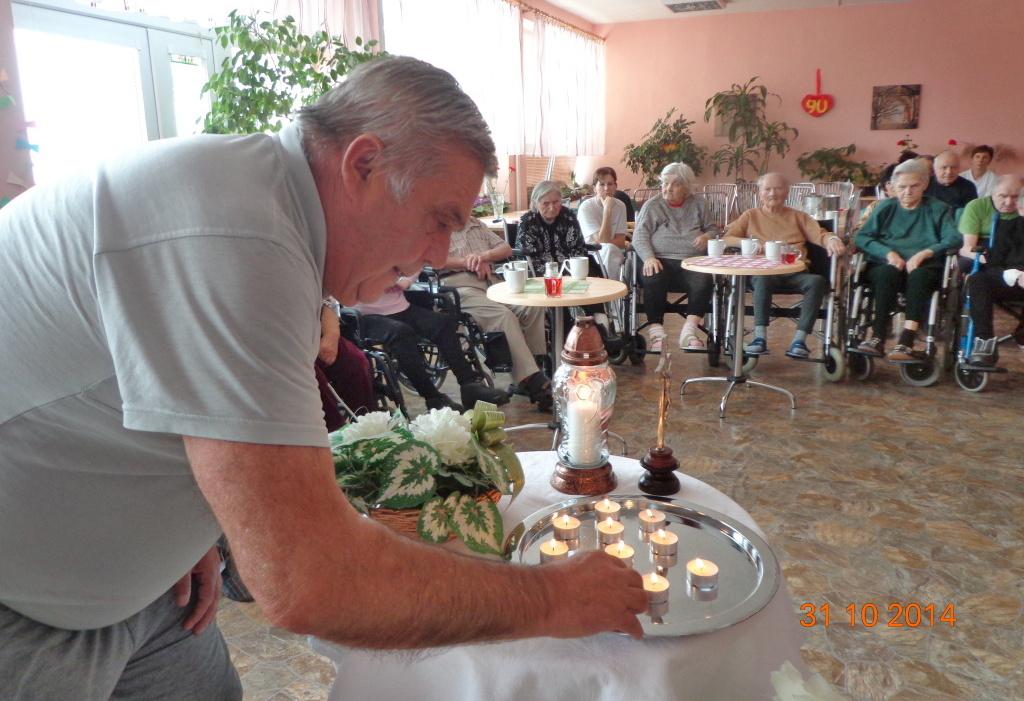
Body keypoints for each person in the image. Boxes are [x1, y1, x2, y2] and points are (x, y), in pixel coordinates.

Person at [0, 56, 645, 698]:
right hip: (27, 605)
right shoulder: (241, 238)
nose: (438, 255)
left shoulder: (264, 205)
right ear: (363, 165)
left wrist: (200, 513)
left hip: (142, 582)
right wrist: (553, 599)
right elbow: (313, 578)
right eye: (439, 219)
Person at [723, 172, 845, 358]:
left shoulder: (798, 216)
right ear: (760, 193)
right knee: (762, 279)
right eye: (767, 189)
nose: (772, 193)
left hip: (795, 272)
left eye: (778, 188)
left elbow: (820, 234)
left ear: (787, 192)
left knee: (817, 282)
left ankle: (799, 341)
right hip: (763, 273)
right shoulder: (750, 216)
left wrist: (832, 239)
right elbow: (728, 238)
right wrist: (749, 243)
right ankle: (759, 338)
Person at [438, 216, 553, 411]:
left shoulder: (475, 223)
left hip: (490, 279)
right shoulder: (436, 226)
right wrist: (467, 262)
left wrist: (483, 257)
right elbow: (431, 260)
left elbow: (505, 249)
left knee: (531, 306)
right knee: (503, 316)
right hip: (458, 284)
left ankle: (532, 368)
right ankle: (532, 381)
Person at [854, 159, 962, 361]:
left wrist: (926, 253)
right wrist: (888, 253)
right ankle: (877, 337)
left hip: (924, 267)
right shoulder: (885, 207)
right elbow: (861, 237)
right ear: (893, 186)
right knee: (886, 274)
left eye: (914, 186)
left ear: (925, 185)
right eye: (902, 187)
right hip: (886, 264)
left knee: (919, 276)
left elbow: (954, 238)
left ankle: (906, 340)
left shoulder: (938, 208)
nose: (907, 192)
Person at [353, 274, 508, 412]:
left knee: (442, 323)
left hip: (401, 307)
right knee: (400, 333)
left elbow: (414, 258)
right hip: (364, 314)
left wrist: (406, 279)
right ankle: (433, 399)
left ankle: (470, 386)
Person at [631, 162, 718, 353]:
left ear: (687, 187)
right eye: (665, 183)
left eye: (675, 184)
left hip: (691, 261)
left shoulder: (699, 204)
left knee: (704, 279)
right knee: (653, 276)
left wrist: (707, 236)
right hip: (659, 259)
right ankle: (656, 334)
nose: (668, 188)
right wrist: (648, 257)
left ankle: (689, 332)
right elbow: (639, 236)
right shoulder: (652, 205)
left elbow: (713, 229)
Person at [964, 214, 1024, 366]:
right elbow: (993, 264)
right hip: (1011, 278)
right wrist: (1016, 275)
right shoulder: (1009, 227)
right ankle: (985, 341)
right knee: (978, 279)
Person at [515, 179, 588, 266]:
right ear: (535, 203)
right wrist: (552, 271)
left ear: (561, 200)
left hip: (569, 269)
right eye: (546, 203)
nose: (551, 207)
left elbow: (578, 248)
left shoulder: (569, 217)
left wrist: (572, 269)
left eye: (555, 202)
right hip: (539, 270)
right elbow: (527, 256)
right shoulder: (528, 222)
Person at [957, 174, 1021, 271]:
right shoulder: (976, 206)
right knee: (966, 264)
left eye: (1015, 197)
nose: (1008, 202)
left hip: (1017, 248)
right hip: (985, 248)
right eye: (1003, 196)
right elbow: (968, 247)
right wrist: (987, 259)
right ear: (993, 194)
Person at [577, 167, 627, 281]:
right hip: (591, 253)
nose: (606, 188)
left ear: (615, 186)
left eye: (610, 184)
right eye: (602, 184)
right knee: (609, 249)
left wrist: (607, 243)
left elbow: (621, 242)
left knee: (611, 250)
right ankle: (612, 286)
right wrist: (607, 211)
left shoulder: (620, 206)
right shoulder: (586, 207)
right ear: (594, 188)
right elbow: (601, 242)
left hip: (614, 252)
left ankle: (614, 287)